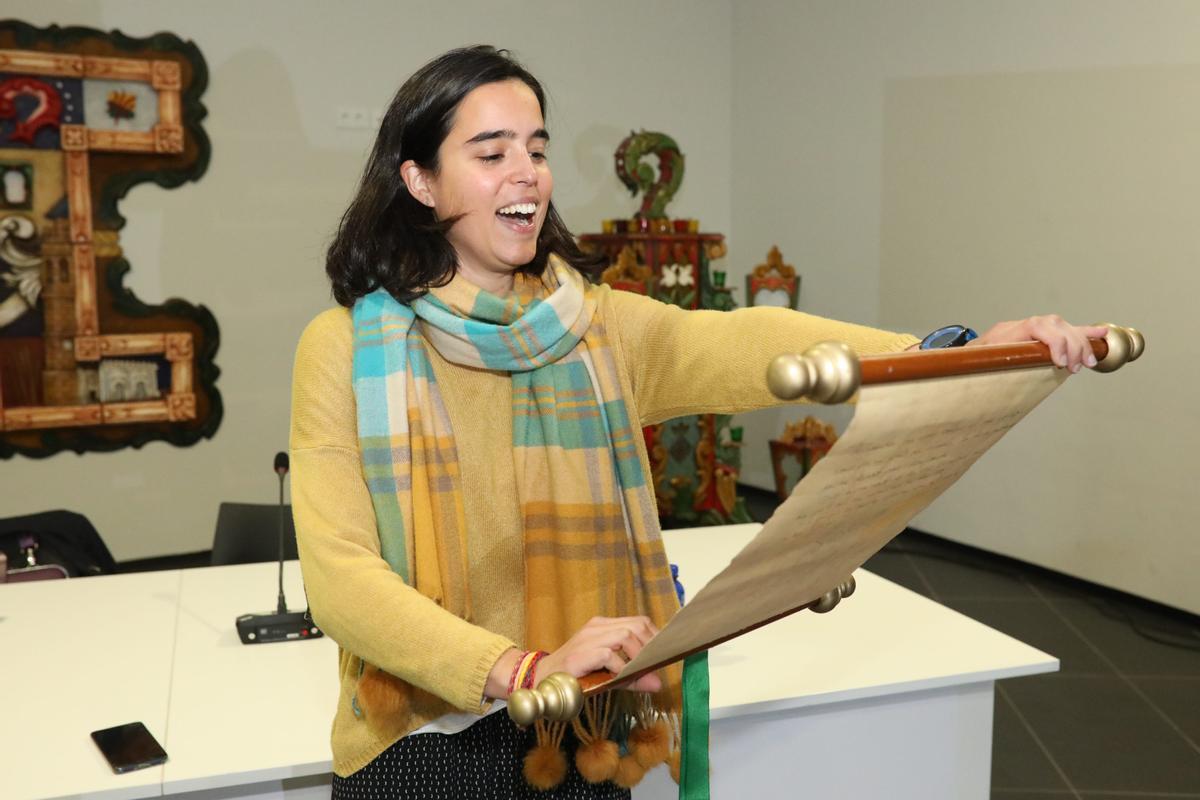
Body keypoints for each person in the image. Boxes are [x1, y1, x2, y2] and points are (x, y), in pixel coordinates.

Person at [290, 45, 1104, 800]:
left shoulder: (591, 327)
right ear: (420, 181)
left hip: (584, 726)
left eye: (536, 150)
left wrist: (947, 355)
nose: (527, 175)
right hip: (426, 743)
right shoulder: (344, 352)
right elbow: (340, 580)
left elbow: (747, 340)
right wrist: (518, 666)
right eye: (491, 152)